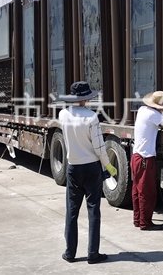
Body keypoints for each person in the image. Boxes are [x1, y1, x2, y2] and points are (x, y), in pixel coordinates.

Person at [58, 81, 117, 264]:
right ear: (86, 99)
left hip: (73, 167)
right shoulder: (92, 117)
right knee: (93, 211)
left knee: (72, 212)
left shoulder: (63, 114)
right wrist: (108, 166)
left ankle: (70, 253)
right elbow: (99, 148)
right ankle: (93, 253)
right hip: (91, 168)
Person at [132, 90, 163, 230]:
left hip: (136, 156)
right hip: (145, 158)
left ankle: (138, 219)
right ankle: (145, 223)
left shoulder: (142, 110)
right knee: (148, 192)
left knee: (137, 190)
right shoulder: (154, 114)